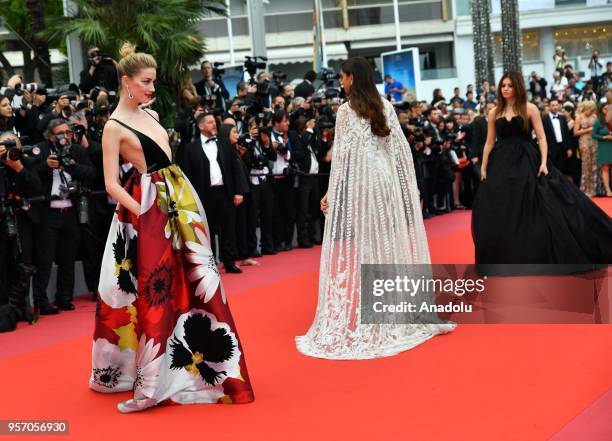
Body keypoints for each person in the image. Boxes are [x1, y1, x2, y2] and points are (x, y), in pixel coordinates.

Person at [90, 42, 254, 412]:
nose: (152, 88)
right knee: (154, 291)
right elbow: (111, 184)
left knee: (197, 283)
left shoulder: (149, 114)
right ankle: (150, 382)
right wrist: (145, 213)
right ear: (126, 82)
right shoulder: (113, 128)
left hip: (179, 202)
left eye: (153, 82)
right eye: (146, 82)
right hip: (150, 210)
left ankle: (209, 368)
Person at [295, 57, 455, 360]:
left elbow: (341, 158)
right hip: (386, 184)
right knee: (389, 245)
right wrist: (407, 187)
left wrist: (331, 192)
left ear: (353, 78)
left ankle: (381, 311)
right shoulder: (385, 105)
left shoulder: (345, 111)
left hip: (363, 187)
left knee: (369, 247)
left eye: (343, 77)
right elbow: (400, 154)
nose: (341, 82)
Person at [472, 72, 612, 265]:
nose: (505, 88)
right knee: (500, 203)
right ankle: (506, 253)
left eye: (509, 85)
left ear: (518, 87)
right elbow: (489, 142)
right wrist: (484, 166)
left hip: (527, 156)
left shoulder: (530, 108)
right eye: (503, 85)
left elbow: (542, 137)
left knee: (539, 199)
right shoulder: (494, 112)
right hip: (501, 160)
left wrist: (544, 161)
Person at [178, 112, 246, 274]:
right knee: (207, 231)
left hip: (225, 192)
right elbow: (187, 175)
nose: (214, 124)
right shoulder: (191, 148)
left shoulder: (224, 144)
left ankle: (229, 262)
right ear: (201, 126)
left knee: (228, 229)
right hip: (204, 195)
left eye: (214, 122)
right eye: (209, 122)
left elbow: (235, 169)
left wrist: (238, 192)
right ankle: (210, 264)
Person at [574, 100, 599, 196]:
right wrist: (588, 129)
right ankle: (585, 190)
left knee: (594, 166)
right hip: (584, 142)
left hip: (594, 142)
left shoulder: (594, 116)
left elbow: (598, 130)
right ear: (585, 108)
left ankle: (594, 189)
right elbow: (575, 132)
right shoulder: (579, 117)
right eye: (589, 109)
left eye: (592, 110)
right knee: (586, 165)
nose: (590, 112)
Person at [592, 103, 612, 197]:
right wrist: (604, 137)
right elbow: (593, 135)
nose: (607, 110)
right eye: (605, 108)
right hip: (604, 146)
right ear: (602, 110)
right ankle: (608, 190)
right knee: (605, 168)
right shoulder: (598, 121)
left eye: (609, 108)